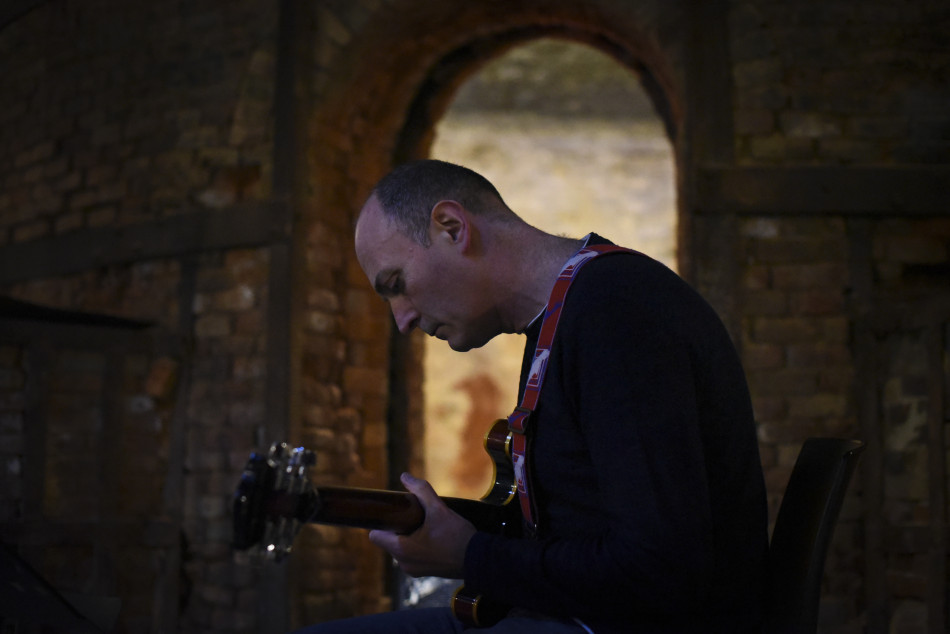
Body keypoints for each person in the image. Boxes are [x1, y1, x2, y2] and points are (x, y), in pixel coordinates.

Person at [296, 160, 768, 633]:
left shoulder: (617, 311)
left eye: (397, 285)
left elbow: (662, 569)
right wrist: (444, 531)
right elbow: (578, 527)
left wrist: (470, 554)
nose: (402, 320)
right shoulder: (572, 312)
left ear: (452, 227)